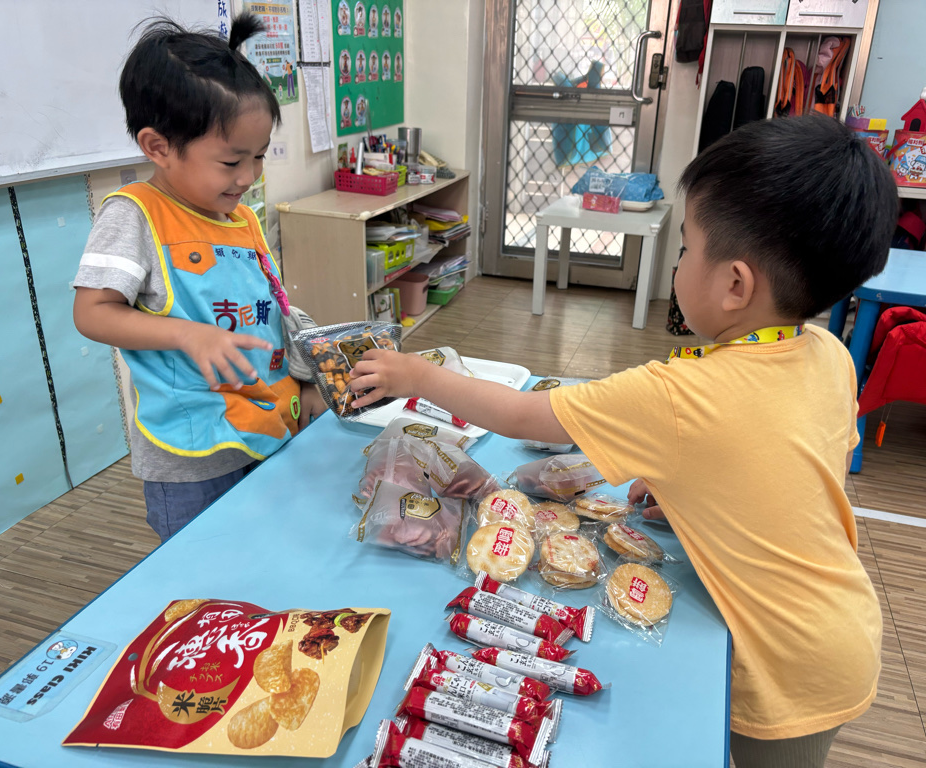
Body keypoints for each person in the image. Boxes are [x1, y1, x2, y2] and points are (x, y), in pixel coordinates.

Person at [347, 114, 897, 768]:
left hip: (782, 667)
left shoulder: (681, 395)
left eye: (687, 248)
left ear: (735, 284)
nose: (678, 263)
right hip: (842, 626)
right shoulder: (828, 353)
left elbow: (523, 415)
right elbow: (793, 463)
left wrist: (416, 374)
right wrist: (698, 483)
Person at [73, 13, 325, 543]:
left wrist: (306, 379)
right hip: (191, 457)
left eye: (259, 157)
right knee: (203, 570)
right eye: (231, 162)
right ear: (158, 146)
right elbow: (92, 312)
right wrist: (188, 334)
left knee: (268, 551)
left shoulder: (242, 218)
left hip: (268, 426)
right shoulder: (135, 215)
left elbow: (272, 309)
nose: (248, 177)